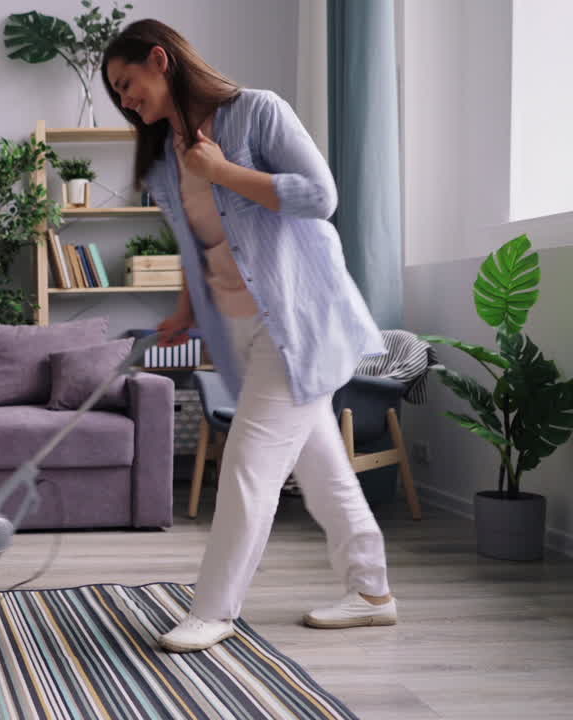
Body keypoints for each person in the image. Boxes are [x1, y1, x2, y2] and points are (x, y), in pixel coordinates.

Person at [101, 19, 397, 653]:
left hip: (299, 319)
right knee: (323, 471)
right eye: (117, 94)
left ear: (161, 59)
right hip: (239, 326)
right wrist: (185, 309)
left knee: (248, 466)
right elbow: (196, 244)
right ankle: (372, 592)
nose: (126, 101)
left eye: (128, 84)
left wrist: (224, 170)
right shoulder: (163, 157)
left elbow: (321, 196)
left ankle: (214, 609)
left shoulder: (257, 113)